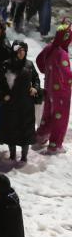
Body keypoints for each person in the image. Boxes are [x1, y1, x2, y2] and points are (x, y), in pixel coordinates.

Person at [0, 41, 41, 162]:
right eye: (19, 51)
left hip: (26, 104)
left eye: (23, 51)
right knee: (11, 129)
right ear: (14, 51)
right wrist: (4, 95)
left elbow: (36, 79)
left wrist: (35, 88)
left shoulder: (29, 64)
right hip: (11, 103)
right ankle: (12, 155)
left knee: (25, 129)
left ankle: (24, 156)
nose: (22, 53)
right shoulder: (6, 65)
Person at [35, 22, 72, 154]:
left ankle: (41, 135)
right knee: (60, 117)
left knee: (48, 113)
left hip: (49, 88)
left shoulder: (49, 47)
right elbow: (66, 74)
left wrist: (47, 71)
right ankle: (55, 145)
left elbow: (39, 60)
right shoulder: (62, 53)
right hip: (61, 92)